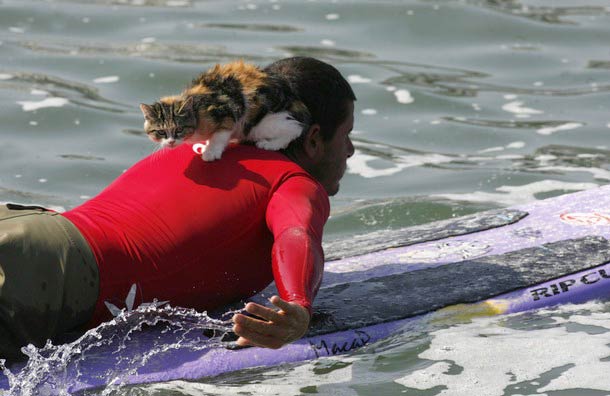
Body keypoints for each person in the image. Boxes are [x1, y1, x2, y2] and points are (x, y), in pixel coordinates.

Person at [0, 57, 356, 359]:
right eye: (347, 136)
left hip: (27, 228)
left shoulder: (193, 146)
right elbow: (297, 232)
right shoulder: (292, 181)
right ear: (313, 140)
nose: (351, 151)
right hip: (49, 276)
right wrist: (296, 307)